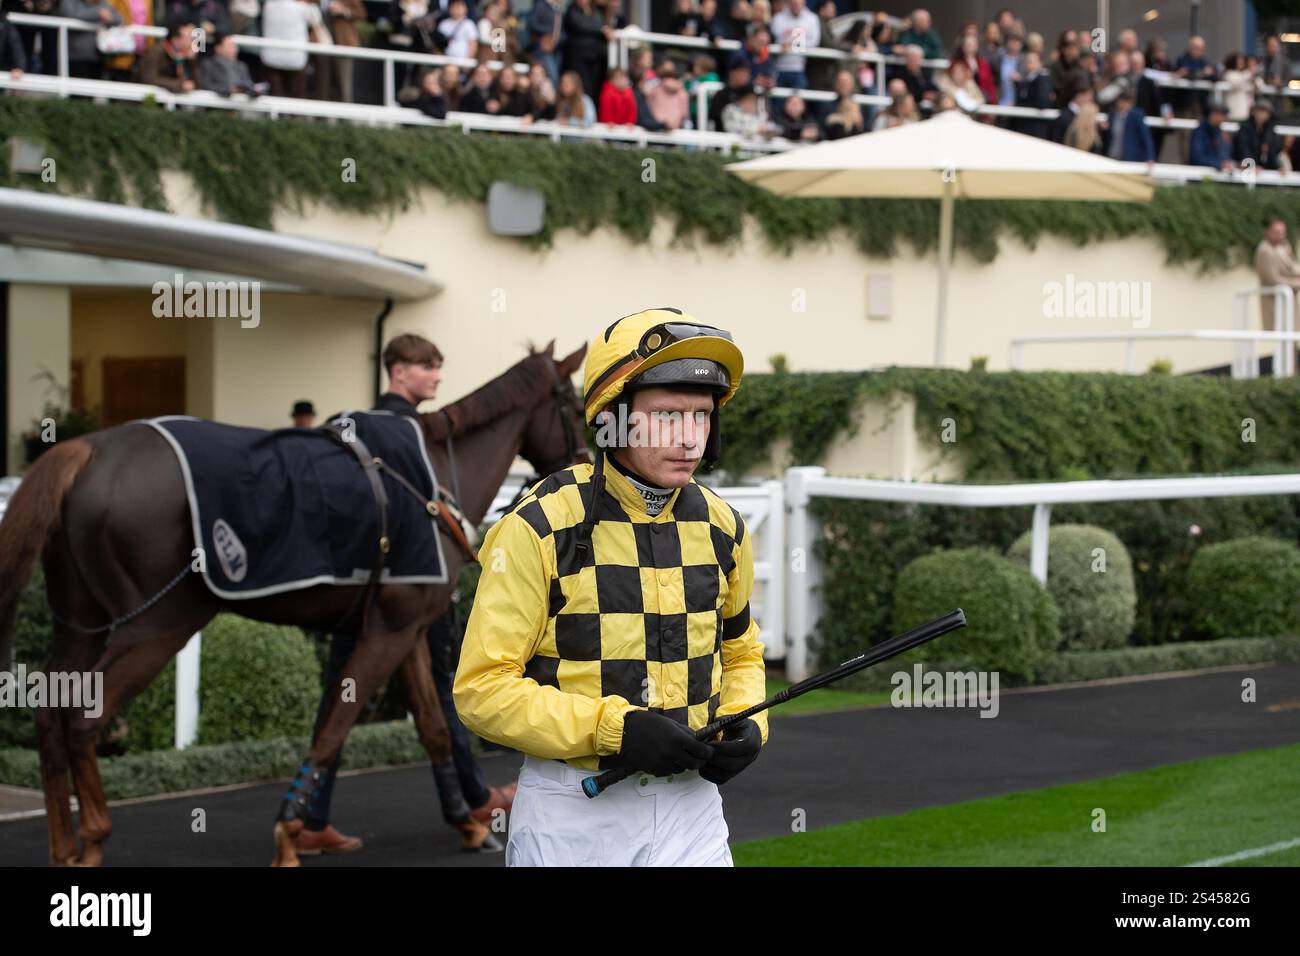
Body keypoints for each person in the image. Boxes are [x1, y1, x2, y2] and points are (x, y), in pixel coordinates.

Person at [454, 308, 768, 867]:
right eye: (667, 416)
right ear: (612, 420)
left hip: (693, 811)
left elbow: (740, 651)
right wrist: (614, 730)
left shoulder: (724, 528)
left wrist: (749, 720)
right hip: (575, 813)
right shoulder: (538, 525)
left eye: (700, 416)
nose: (689, 438)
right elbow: (482, 690)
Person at [300, 332, 514, 856]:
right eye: (427, 367)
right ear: (398, 371)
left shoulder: (356, 425)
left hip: (362, 586)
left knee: (344, 693)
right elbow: (429, 506)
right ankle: (471, 802)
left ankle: (312, 818)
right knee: (437, 691)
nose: (437, 376)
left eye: (438, 367)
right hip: (411, 583)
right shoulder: (407, 432)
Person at [1254, 219, 1300, 372]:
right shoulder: (1264, 251)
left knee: (1292, 338)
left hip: (1289, 301)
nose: (1280, 235)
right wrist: (1296, 283)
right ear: (1268, 232)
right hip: (1276, 303)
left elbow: (1292, 267)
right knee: (1284, 339)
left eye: (1282, 232)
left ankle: (1292, 373)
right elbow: (1272, 280)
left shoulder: (1285, 246)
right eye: (1276, 232)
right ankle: (1286, 375)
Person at [259, 0, 321, 98]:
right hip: (295, 59)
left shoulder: (269, 5)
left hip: (272, 58)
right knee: (295, 98)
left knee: (276, 95)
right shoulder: (300, 8)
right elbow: (316, 19)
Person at [769, 0, 817, 92]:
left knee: (797, 101)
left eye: (798, 3)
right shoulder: (778, 18)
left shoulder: (812, 19)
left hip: (800, 68)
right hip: (778, 68)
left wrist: (794, 44)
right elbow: (773, 40)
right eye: (793, 3)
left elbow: (814, 42)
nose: (796, 5)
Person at [139, 18, 196, 92]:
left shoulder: (187, 56)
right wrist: (180, 85)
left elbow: (196, 83)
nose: (193, 42)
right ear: (175, 39)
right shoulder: (155, 52)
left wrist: (192, 61)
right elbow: (149, 79)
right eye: (190, 38)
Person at [1104, 87, 1154, 162]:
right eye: (1121, 101)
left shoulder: (1136, 116)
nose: (1123, 104)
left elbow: (1146, 137)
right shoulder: (1112, 115)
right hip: (1112, 155)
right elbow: (1108, 135)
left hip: (1129, 157)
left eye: (1126, 102)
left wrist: (1150, 157)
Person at [1235, 99, 1285, 171]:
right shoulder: (1245, 128)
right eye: (1260, 111)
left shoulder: (1271, 131)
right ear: (1254, 112)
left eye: (1265, 112)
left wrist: (1279, 167)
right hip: (1245, 166)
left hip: (1266, 168)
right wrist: (1251, 166)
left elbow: (1274, 152)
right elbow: (1243, 150)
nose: (1262, 114)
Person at [1188, 101, 1232, 171]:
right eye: (1221, 114)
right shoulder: (1200, 132)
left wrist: (1226, 163)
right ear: (1212, 114)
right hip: (1201, 172)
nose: (1223, 118)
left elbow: (1225, 155)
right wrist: (1219, 164)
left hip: (1217, 172)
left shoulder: (1220, 132)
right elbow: (1197, 157)